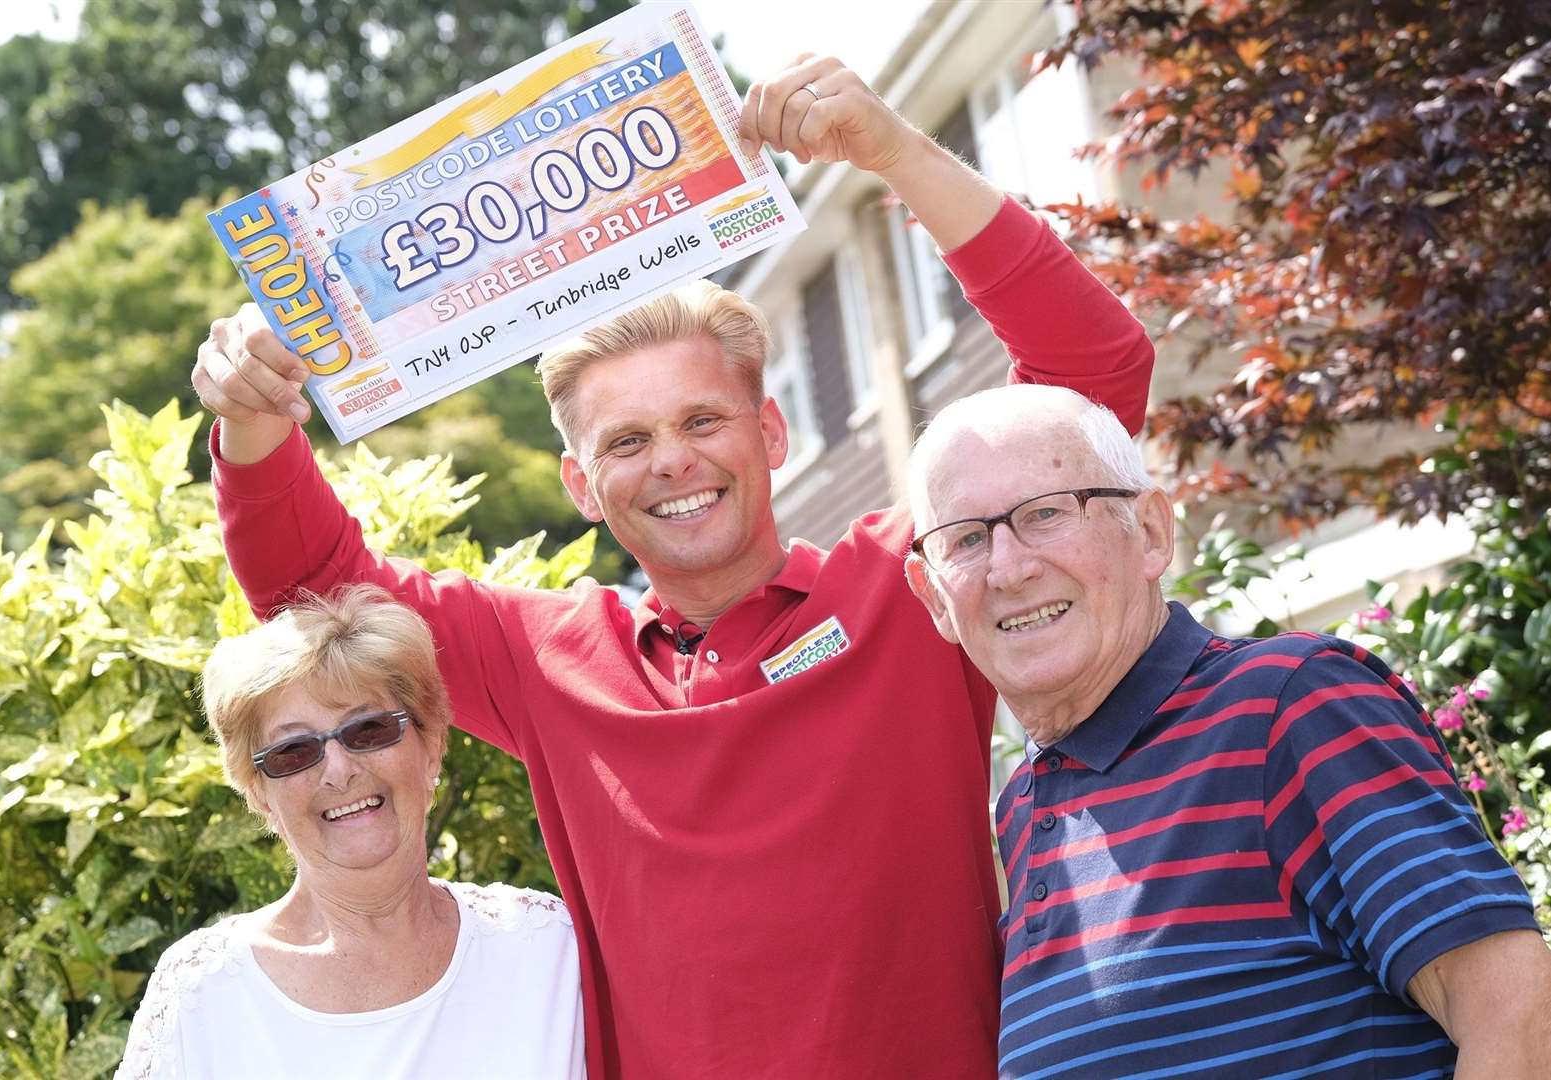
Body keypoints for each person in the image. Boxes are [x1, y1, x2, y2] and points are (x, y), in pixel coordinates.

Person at [190, 54, 1155, 1078]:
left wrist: (892, 152)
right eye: (625, 441)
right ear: (579, 484)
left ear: (770, 433)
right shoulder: (545, 658)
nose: (671, 462)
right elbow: (310, 590)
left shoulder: (912, 583)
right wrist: (254, 417)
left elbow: (1089, 386)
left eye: (701, 420)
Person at [902, 383, 1551, 1079]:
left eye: (1046, 514)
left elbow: (1519, 1021)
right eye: (966, 538)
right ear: (933, 596)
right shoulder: (1024, 810)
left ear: (1150, 532)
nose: (1008, 566)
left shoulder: (1289, 705)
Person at [115, 586, 585, 1080]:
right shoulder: (204, 996)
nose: (338, 770)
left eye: (368, 730)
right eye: (293, 752)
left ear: (432, 746)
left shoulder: (543, 951)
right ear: (257, 794)